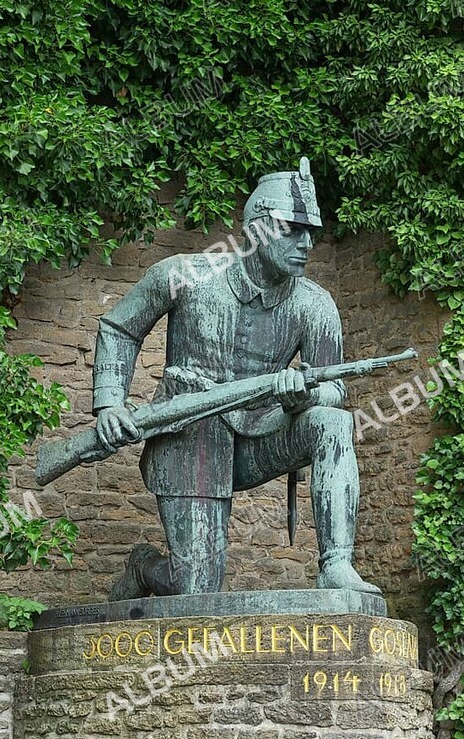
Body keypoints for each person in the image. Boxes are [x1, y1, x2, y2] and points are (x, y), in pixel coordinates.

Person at [92, 157, 380, 598]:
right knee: (194, 589)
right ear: (257, 228)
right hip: (192, 437)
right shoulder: (186, 275)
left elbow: (334, 389)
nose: (305, 243)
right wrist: (111, 403)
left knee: (333, 422)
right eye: (291, 229)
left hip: (259, 436)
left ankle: (336, 565)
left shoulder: (315, 305)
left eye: (311, 233)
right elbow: (119, 328)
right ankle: (144, 566)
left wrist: (301, 395)